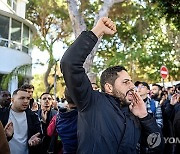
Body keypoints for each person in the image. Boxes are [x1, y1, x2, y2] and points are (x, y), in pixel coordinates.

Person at [60, 17, 163, 153]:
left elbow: (157, 147)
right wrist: (97, 31)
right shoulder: (92, 102)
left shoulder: (135, 115)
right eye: (126, 82)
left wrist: (144, 117)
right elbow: (70, 63)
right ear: (109, 87)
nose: (132, 86)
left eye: (131, 82)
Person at [0, 88, 42, 154]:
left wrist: (37, 141)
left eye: (28, 98)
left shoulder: (33, 116)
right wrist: (6, 136)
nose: (26, 101)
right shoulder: (2, 114)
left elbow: (39, 136)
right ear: (12, 100)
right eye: (22, 98)